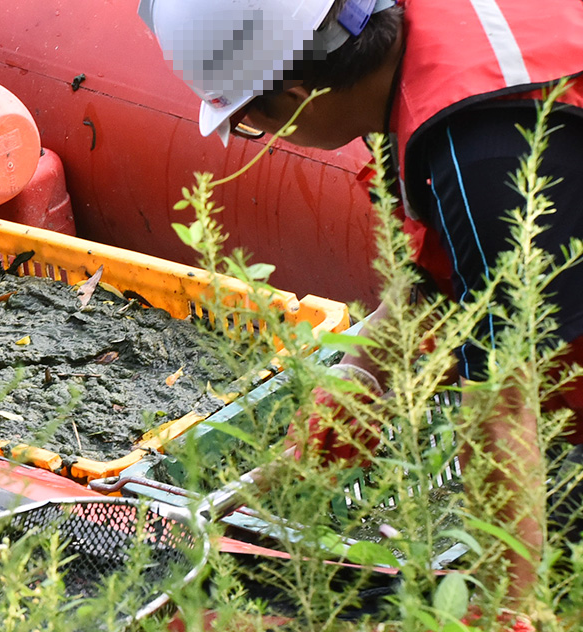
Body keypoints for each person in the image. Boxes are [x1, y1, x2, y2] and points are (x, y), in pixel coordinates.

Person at [139, 0, 583, 598]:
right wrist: (352, 388)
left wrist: (505, 630)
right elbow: (444, 275)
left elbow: (503, 411)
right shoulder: (424, 55)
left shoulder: (483, 147)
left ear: (298, 94)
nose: (260, 136)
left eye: (250, 121)